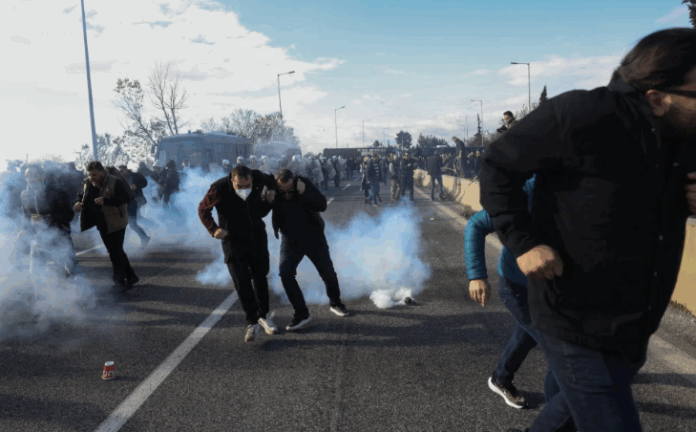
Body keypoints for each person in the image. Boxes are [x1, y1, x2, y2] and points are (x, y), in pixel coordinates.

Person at [480, 28, 696, 432]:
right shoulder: (581, 115)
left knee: (564, 417)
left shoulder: (683, 136)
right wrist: (524, 242)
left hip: (635, 323)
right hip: (574, 317)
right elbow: (497, 165)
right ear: (657, 98)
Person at [465, 174, 572, 429]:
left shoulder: (590, 191)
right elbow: (476, 225)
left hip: (553, 287)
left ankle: (500, 378)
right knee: (559, 350)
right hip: (517, 288)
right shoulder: (530, 190)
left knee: (528, 335)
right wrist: (477, 276)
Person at [198, 164, 277, 342]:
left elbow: (272, 179)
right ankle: (252, 322)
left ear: (252, 179)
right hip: (232, 239)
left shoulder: (259, 176)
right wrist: (214, 229)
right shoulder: (218, 188)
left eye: (247, 185)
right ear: (232, 180)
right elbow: (203, 209)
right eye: (239, 186)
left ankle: (264, 316)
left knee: (260, 276)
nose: (244, 189)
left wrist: (271, 191)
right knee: (241, 280)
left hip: (256, 235)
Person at [271, 168, 350, 331]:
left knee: (327, 271)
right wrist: (267, 199)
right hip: (290, 239)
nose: (286, 194)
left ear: (294, 183)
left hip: (313, 236)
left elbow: (322, 205)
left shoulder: (304, 183)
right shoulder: (272, 189)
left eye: (290, 191)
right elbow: (259, 208)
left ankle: (336, 303)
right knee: (285, 273)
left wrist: (304, 192)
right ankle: (301, 313)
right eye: (282, 192)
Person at [74, 161, 138, 292]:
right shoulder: (87, 183)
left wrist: (106, 201)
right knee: (115, 251)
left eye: (94, 175)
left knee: (116, 252)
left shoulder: (114, 182)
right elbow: (80, 195)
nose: (92, 177)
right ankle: (131, 276)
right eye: (90, 174)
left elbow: (126, 198)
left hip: (116, 221)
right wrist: (77, 203)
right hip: (101, 222)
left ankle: (120, 282)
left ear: (102, 172)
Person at [19, 164, 79, 276]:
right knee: (36, 273)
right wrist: (23, 229)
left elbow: (68, 215)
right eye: (27, 176)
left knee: (70, 272)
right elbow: (25, 215)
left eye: (34, 175)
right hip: (37, 239)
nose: (30, 179)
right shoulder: (25, 195)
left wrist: (46, 219)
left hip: (59, 237)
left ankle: (76, 286)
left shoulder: (57, 193)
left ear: (42, 176)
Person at [118, 165, 151, 250]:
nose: (121, 172)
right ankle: (145, 236)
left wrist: (136, 185)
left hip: (136, 201)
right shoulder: (120, 178)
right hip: (126, 202)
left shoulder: (136, 175)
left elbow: (145, 183)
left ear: (126, 169)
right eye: (120, 171)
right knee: (131, 222)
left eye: (122, 170)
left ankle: (145, 235)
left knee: (131, 222)